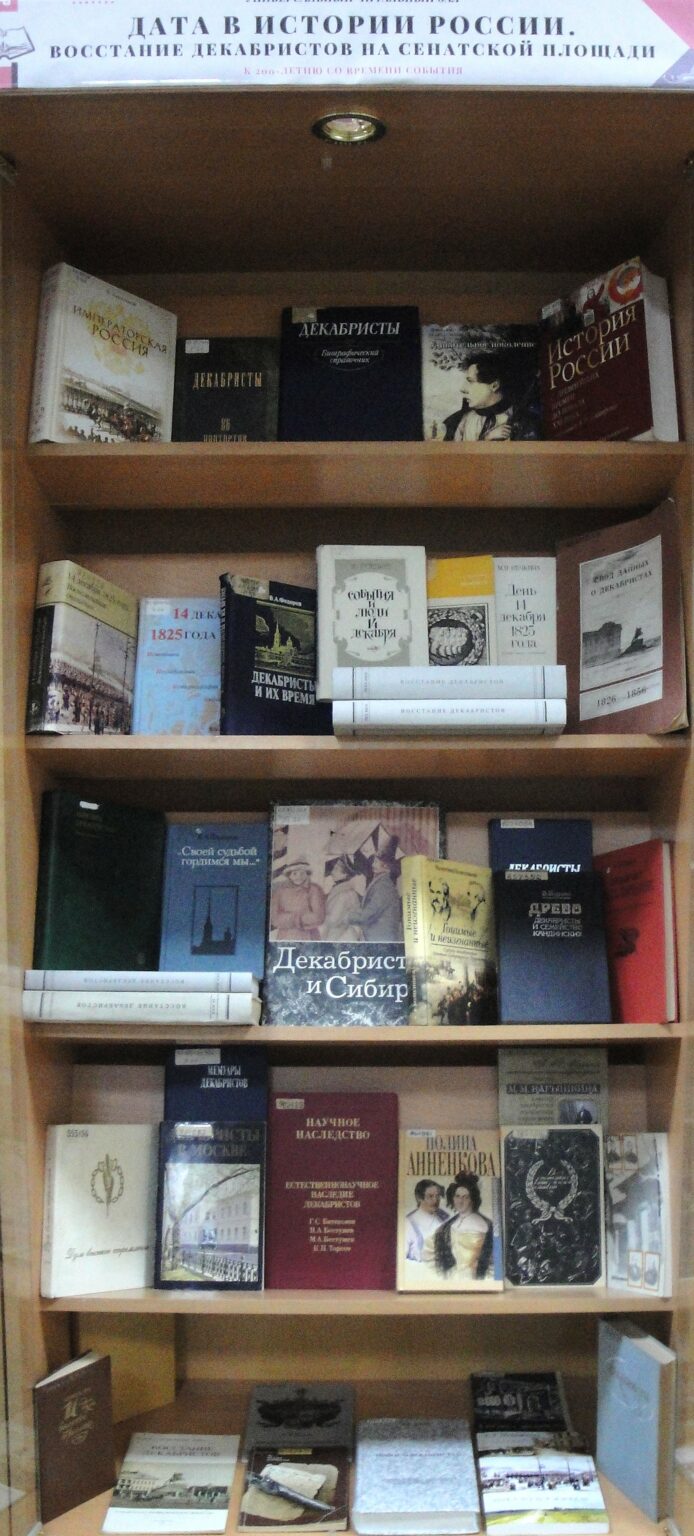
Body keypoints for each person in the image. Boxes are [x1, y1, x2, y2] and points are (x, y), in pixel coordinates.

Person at [443, 352, 538, 442]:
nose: (463, 389)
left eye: (470, 381)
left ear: (494, 386)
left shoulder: (524, 422)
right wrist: (486, 439)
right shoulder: (457, 421)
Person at [424, 1171, 493, 1281]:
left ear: (472, 1199)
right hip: (450, 1280)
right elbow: (429, 1252)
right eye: (457, 1196)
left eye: (465, 1197)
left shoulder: (484, 1225)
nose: (460, 1201)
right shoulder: (446, 1228)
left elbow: (492, 1262)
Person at [343, 848, 402, 941]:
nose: (373, 864)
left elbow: (368, 914)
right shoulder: (381, 882)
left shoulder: (383, 886)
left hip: (381, 939)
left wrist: (347, 917)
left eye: (376, 862)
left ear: (386, 866)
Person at [270, 857, 326, 940]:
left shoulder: (314, 890)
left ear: (307, 874)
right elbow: (274, 919)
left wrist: (295, 919)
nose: (298, 877)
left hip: (309, 935)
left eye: (302, 873)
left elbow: (318, 917)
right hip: (285, 935)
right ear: (289, 875)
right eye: (294, 873)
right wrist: (298, 918)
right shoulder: (280, 892)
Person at [405, 1179, 446, 1261]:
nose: (435, 1200)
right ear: (419, 1198)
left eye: (437, 1196)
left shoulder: (445, 1219)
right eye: (430, 1196)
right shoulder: (408, 1223)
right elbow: (402, 1259)